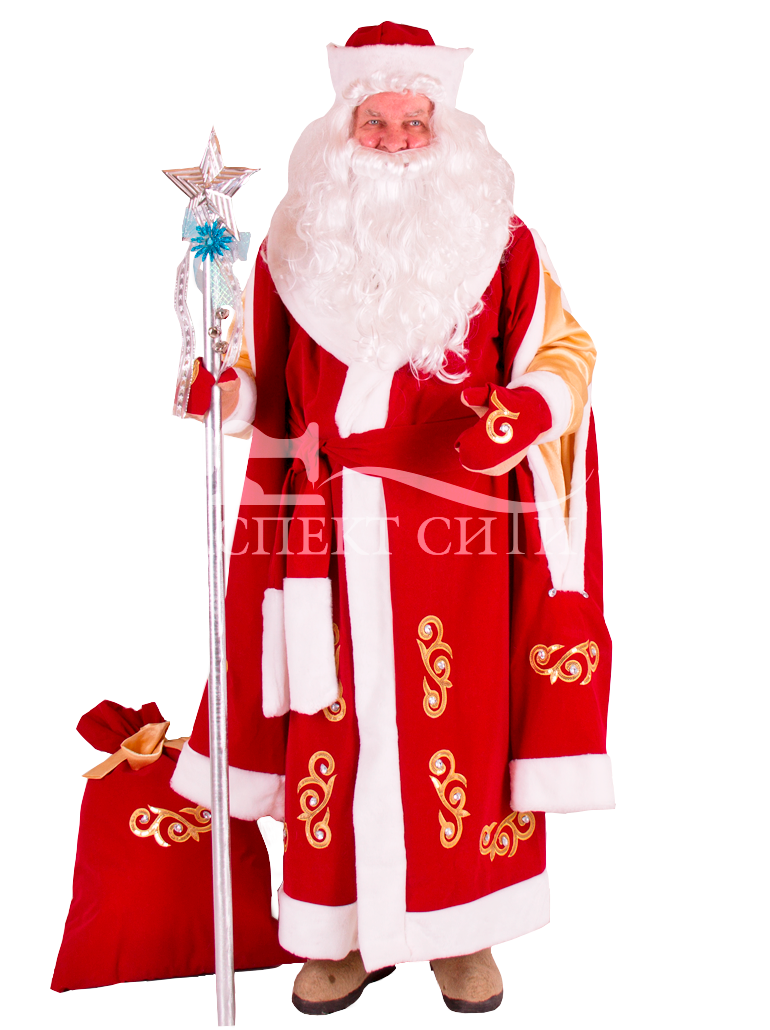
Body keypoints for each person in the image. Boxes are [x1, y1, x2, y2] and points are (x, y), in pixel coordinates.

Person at [171, 21, 614, 1015]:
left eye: (415, 121)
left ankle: (461, 931)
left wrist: (524, 411)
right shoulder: (292, 248)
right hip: (323, 531)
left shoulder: (501, 241)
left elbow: (565, 349)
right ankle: (339, 930)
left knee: (458, 721)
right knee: (332, 721)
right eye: (376, 122)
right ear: (343, 130)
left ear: (444, 127)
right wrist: (223, 391)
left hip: (459, 534)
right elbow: (266, 390)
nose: (398, 140)